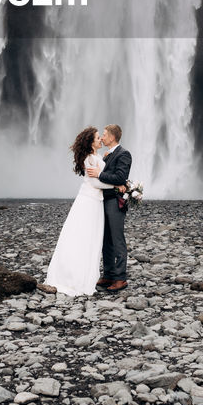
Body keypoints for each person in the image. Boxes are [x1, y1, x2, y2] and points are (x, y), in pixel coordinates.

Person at [43, 127, 114, 296]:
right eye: (97, 138)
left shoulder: (95, 157)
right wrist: (117, 185)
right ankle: (76, 277)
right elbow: (95, 183)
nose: (100, 140)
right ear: (90, 142)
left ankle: (80, 273)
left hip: (94, 201)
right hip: (89, 201)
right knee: (84, 237)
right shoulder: (90, 158)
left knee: (89, 237)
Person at [86, 123, 130, 292]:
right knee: (106, 239)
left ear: (112, 137)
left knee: (117, 239)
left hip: (114, 202)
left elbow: (120, 176)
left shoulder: (124, 154)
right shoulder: (107, 155)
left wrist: (99, 174)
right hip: (103, 200)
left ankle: (120, 278)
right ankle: (109, 274)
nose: (102, 138)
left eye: (104, 135)